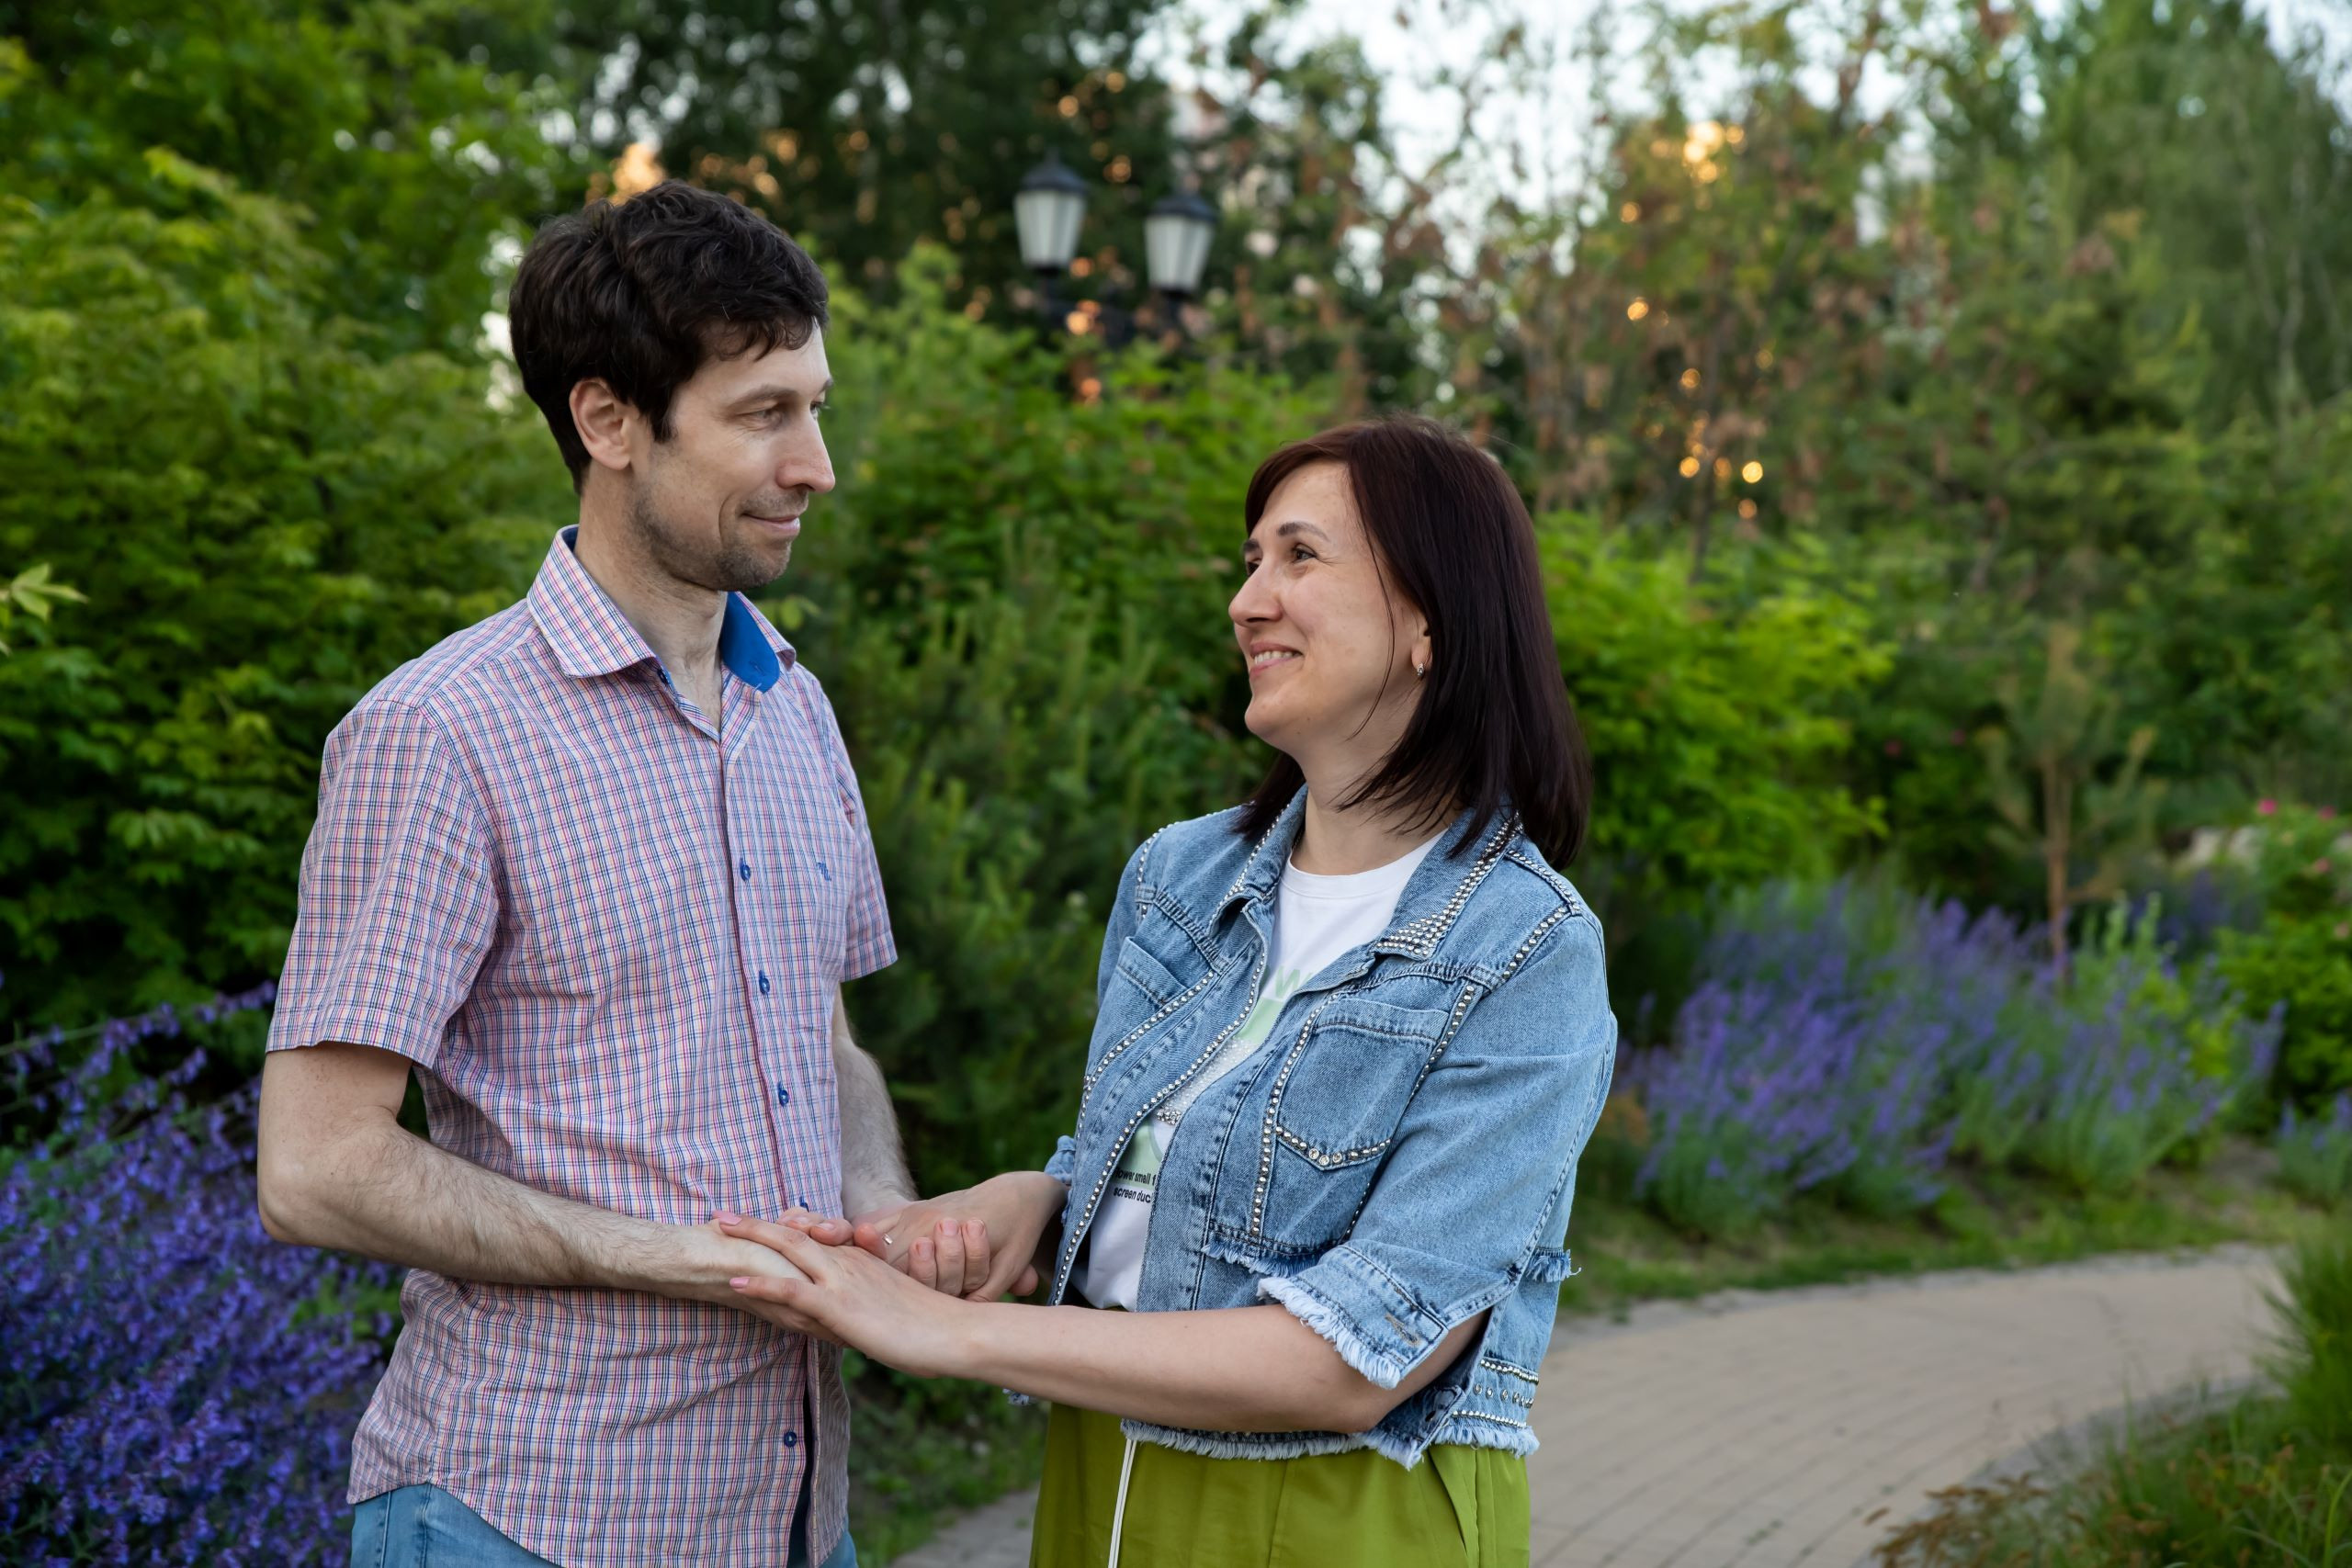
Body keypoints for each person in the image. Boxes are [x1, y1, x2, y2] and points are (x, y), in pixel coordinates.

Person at [254, 182, 1024, 1568]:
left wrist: (884, 1211)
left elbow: (828, 1041)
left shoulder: (796, 703)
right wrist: (678, 1254)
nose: (818, 462)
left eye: (815, 403)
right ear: (608, 421)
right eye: (762, 413)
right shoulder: (437, 732)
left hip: (797, 1515)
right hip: (528, 1515)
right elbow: (315, 1168)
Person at [723, 414, 1618, 1567]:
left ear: (1428, 624)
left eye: (1300, 557)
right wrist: (1043, 1201)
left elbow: (1352, 1359)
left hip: (1347, 1517)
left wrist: (946, 1335)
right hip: (1099, 1486)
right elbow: (1192, 1171)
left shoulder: (1527, 949)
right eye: (1252, 562)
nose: (1249, 600)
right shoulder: (1178, 880)